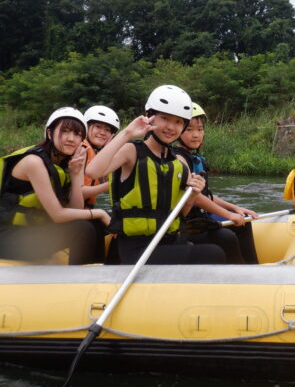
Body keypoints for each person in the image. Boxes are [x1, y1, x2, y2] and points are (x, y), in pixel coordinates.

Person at [85, 85, 226, 265]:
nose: (170, 127)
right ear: (150, 116)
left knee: (218, 247)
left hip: (169, 241)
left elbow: (181, 212)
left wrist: (193, 195)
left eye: (178, 122)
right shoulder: (132, 151)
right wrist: (127, 133)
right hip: (136, 248)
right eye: (164, 118)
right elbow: (93, 171)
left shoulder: (179, 163)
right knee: (213, 254)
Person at [0, 107, 110, 264]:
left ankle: (99, 274)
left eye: (78, 134)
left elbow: (76, 210)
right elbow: (57, 215)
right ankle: (80, 281)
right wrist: (99, 212)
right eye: (65, 131)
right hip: (7, 238)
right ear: (50, 133)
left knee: (94, 224)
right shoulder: (34, 162)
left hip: (32, 231)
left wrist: (76, 173)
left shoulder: (63, 164)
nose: (71, 138)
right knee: (82, 229)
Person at [173, 102, 259, 264]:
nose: (195, 135)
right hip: (185, 223)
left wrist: (235, 208)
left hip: (200, 218)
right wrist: (228, 215)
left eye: (200, 129)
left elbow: (206, 195)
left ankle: (254, 268)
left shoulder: (196, 159)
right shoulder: (178, 159)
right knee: (226, 237)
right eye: (189, 129)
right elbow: (196, 198)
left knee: (244, 222)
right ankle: (241, 275)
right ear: (178, 131)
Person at [82, 105, 120, 208]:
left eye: (107, 130)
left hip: (85, 210)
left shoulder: (96, 153)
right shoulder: (82, 150)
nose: (103, 133)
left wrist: (109, 151)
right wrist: (111, 184)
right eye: (98, 127)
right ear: (86, 127)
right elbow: (77, 193)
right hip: (75, 214)